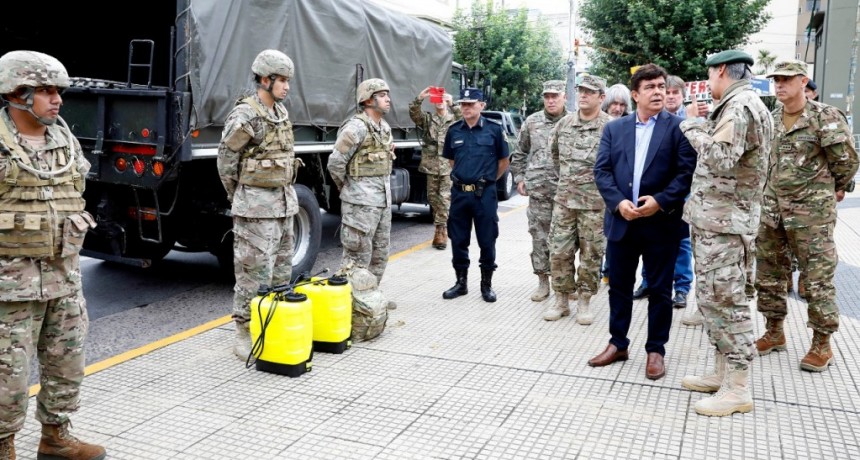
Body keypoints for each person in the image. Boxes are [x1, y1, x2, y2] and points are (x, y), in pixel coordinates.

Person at [0, 50, 106, 459]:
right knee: (7, 375)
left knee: (68, 362)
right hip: (12, 284)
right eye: (46, 91)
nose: (57, 99)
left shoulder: (64, 138)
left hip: (63, 276)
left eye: (58, 91)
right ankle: (3, 444)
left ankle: (55, 436)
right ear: (17, 93)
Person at [677, 50, 773, 416]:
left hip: (726, 226)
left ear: (720, 71)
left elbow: (719, 157)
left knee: (727, 302)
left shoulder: (740, 106)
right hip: (720, 222)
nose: (709, 84)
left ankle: (737, 387)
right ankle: (722, 374)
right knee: (715, 299)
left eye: (710, 75)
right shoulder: (746, 104)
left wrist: (691, 125)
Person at [588, 63, 696, 380]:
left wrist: (660, 201)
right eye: (650, 87)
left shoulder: (679, 129)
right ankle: (618, 343)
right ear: (635, 94)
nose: (658, 91)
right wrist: (618, 202)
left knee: (660, 291)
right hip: (622, 221)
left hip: (661, 223)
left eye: (661, 86)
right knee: (619, 288)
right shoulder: (614, 129)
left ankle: (655, 351)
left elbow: (685, 175)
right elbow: (602, 171)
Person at [755, 59, 859, 372]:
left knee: (817, 281)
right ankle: (774, 332)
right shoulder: (771, 118)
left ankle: (821, 345)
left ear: (804, 81)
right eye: (776, 80)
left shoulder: (825, 116)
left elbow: (846, 162)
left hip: (811, 217)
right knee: (769, 277)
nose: (779, 85)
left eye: (786, 79)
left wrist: (831, 189)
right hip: (772, 213)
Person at [218, 49, 300, 360]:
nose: (287, 87)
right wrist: (240, 197)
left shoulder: (280, 113)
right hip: (254, 207)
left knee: (281, 271)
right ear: (265, 80)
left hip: (283, 204)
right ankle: (243, 329)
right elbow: (226, 162)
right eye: (283, 81)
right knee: (252, 272)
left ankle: (273, 325)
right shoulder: (245, 116)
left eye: (288, 81)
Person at [544, 75, 612, 323]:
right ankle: (561, 300)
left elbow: (617, 165)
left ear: (601, 97)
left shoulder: (611, 127)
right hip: (564, 202)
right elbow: (555, 159)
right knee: (559, 252)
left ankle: (584, 301)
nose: (583, 95)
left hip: (595, 205)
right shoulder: (563, 125)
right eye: (581, 91)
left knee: (591, 254)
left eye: (590, 92)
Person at [327, 78, 396, 300]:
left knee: (380, 254)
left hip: (382, 203)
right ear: (368, 99)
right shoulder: (355, 128)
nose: (388, 99)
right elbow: (335, 163)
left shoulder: (384, 128)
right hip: (360, 205)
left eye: (388, 95)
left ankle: (370, 302)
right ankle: (351, 304)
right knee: (357, 257)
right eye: (382, 95)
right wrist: (349, 189)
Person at [441, 87, 510, 302]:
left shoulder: (494, 130)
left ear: (482, 105)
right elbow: (452, 161)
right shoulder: (454, 131)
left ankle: (486, 284)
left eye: (471, 104)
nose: (466, 107)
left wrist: (487, 181)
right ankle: (461, 283)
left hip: (484, 195)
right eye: (463, 104)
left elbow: (503, 162)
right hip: (460, 194)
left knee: (487, 239)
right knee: (458, 239)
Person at [633, 75, 694, 309]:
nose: (668, 96)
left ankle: (681, 287)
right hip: (650, 193)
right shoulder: (648, 120)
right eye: (665, 91)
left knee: (681, 241)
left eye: (673, 93)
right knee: (648, 238)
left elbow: (687, 167)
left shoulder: (686, 122)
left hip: (678, 193)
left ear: (681, 96)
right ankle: (648, 282)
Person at [510, 80, 568, 302]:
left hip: (566, 193)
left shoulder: (572, 122)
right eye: (547, 96)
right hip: (539, 192)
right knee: (539, 237)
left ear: (564, 97)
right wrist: (520, 178)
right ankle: (543, 282)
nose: (551, 100)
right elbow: (520, 152)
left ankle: (564, 285)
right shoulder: (532, 122)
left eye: (555, 96)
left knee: (565, 240)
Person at [409, 87, 461, 249]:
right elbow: (414, 115)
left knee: (445, 197)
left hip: (448, 165)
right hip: (431, 165)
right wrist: (420, 98)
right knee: (432, 198)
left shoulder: (454, 119)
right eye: (436, 99)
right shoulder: (428, 120)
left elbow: (465, 121)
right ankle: (442, 224)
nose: (440, 102)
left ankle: (440, 230)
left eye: (442, 99)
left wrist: (453, 104)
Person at [598, 83, 632, 283]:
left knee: (613, 235)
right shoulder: (599, 123)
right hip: (596, 189)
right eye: (614, 104)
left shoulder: (631, 124)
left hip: (618, 193)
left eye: (621, 104)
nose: (617, 108)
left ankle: (609, 272)